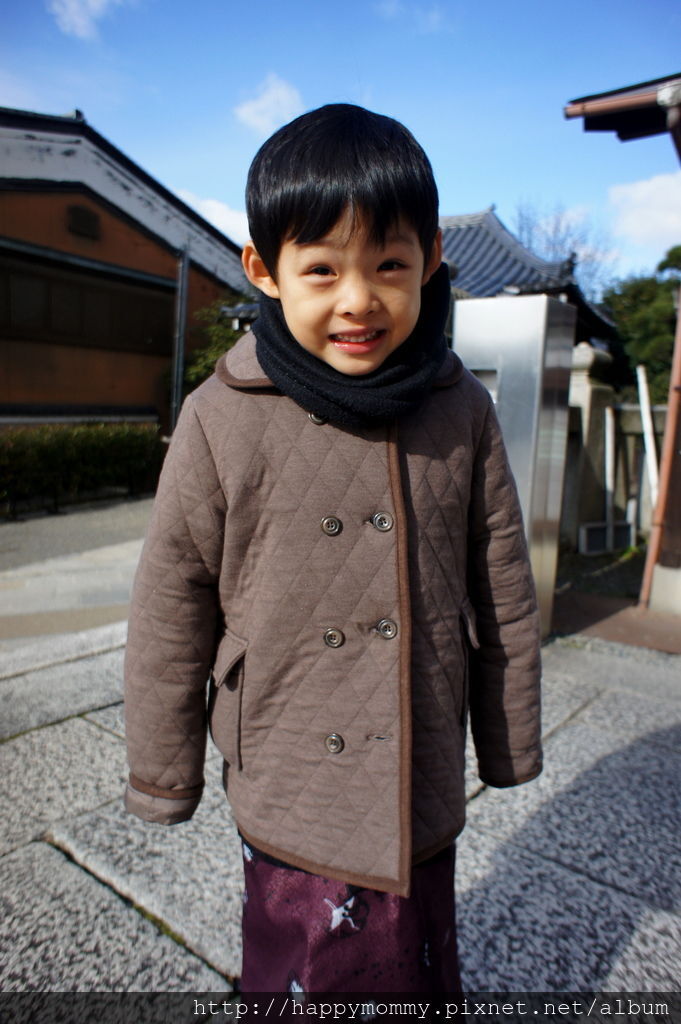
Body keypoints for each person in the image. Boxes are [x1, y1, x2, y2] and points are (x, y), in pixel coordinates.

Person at [124, 103, 542, 995]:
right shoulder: (218, 416)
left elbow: (501, 581)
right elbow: (171, 602)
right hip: (287, 764)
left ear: (430, 258)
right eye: (321, 269)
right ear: (264, 271)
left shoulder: (459, 407)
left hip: (417, 762)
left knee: (416, 961)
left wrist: (506, 743)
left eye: (389, 264)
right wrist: (164, 773)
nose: (358, 299)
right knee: (299, 977)